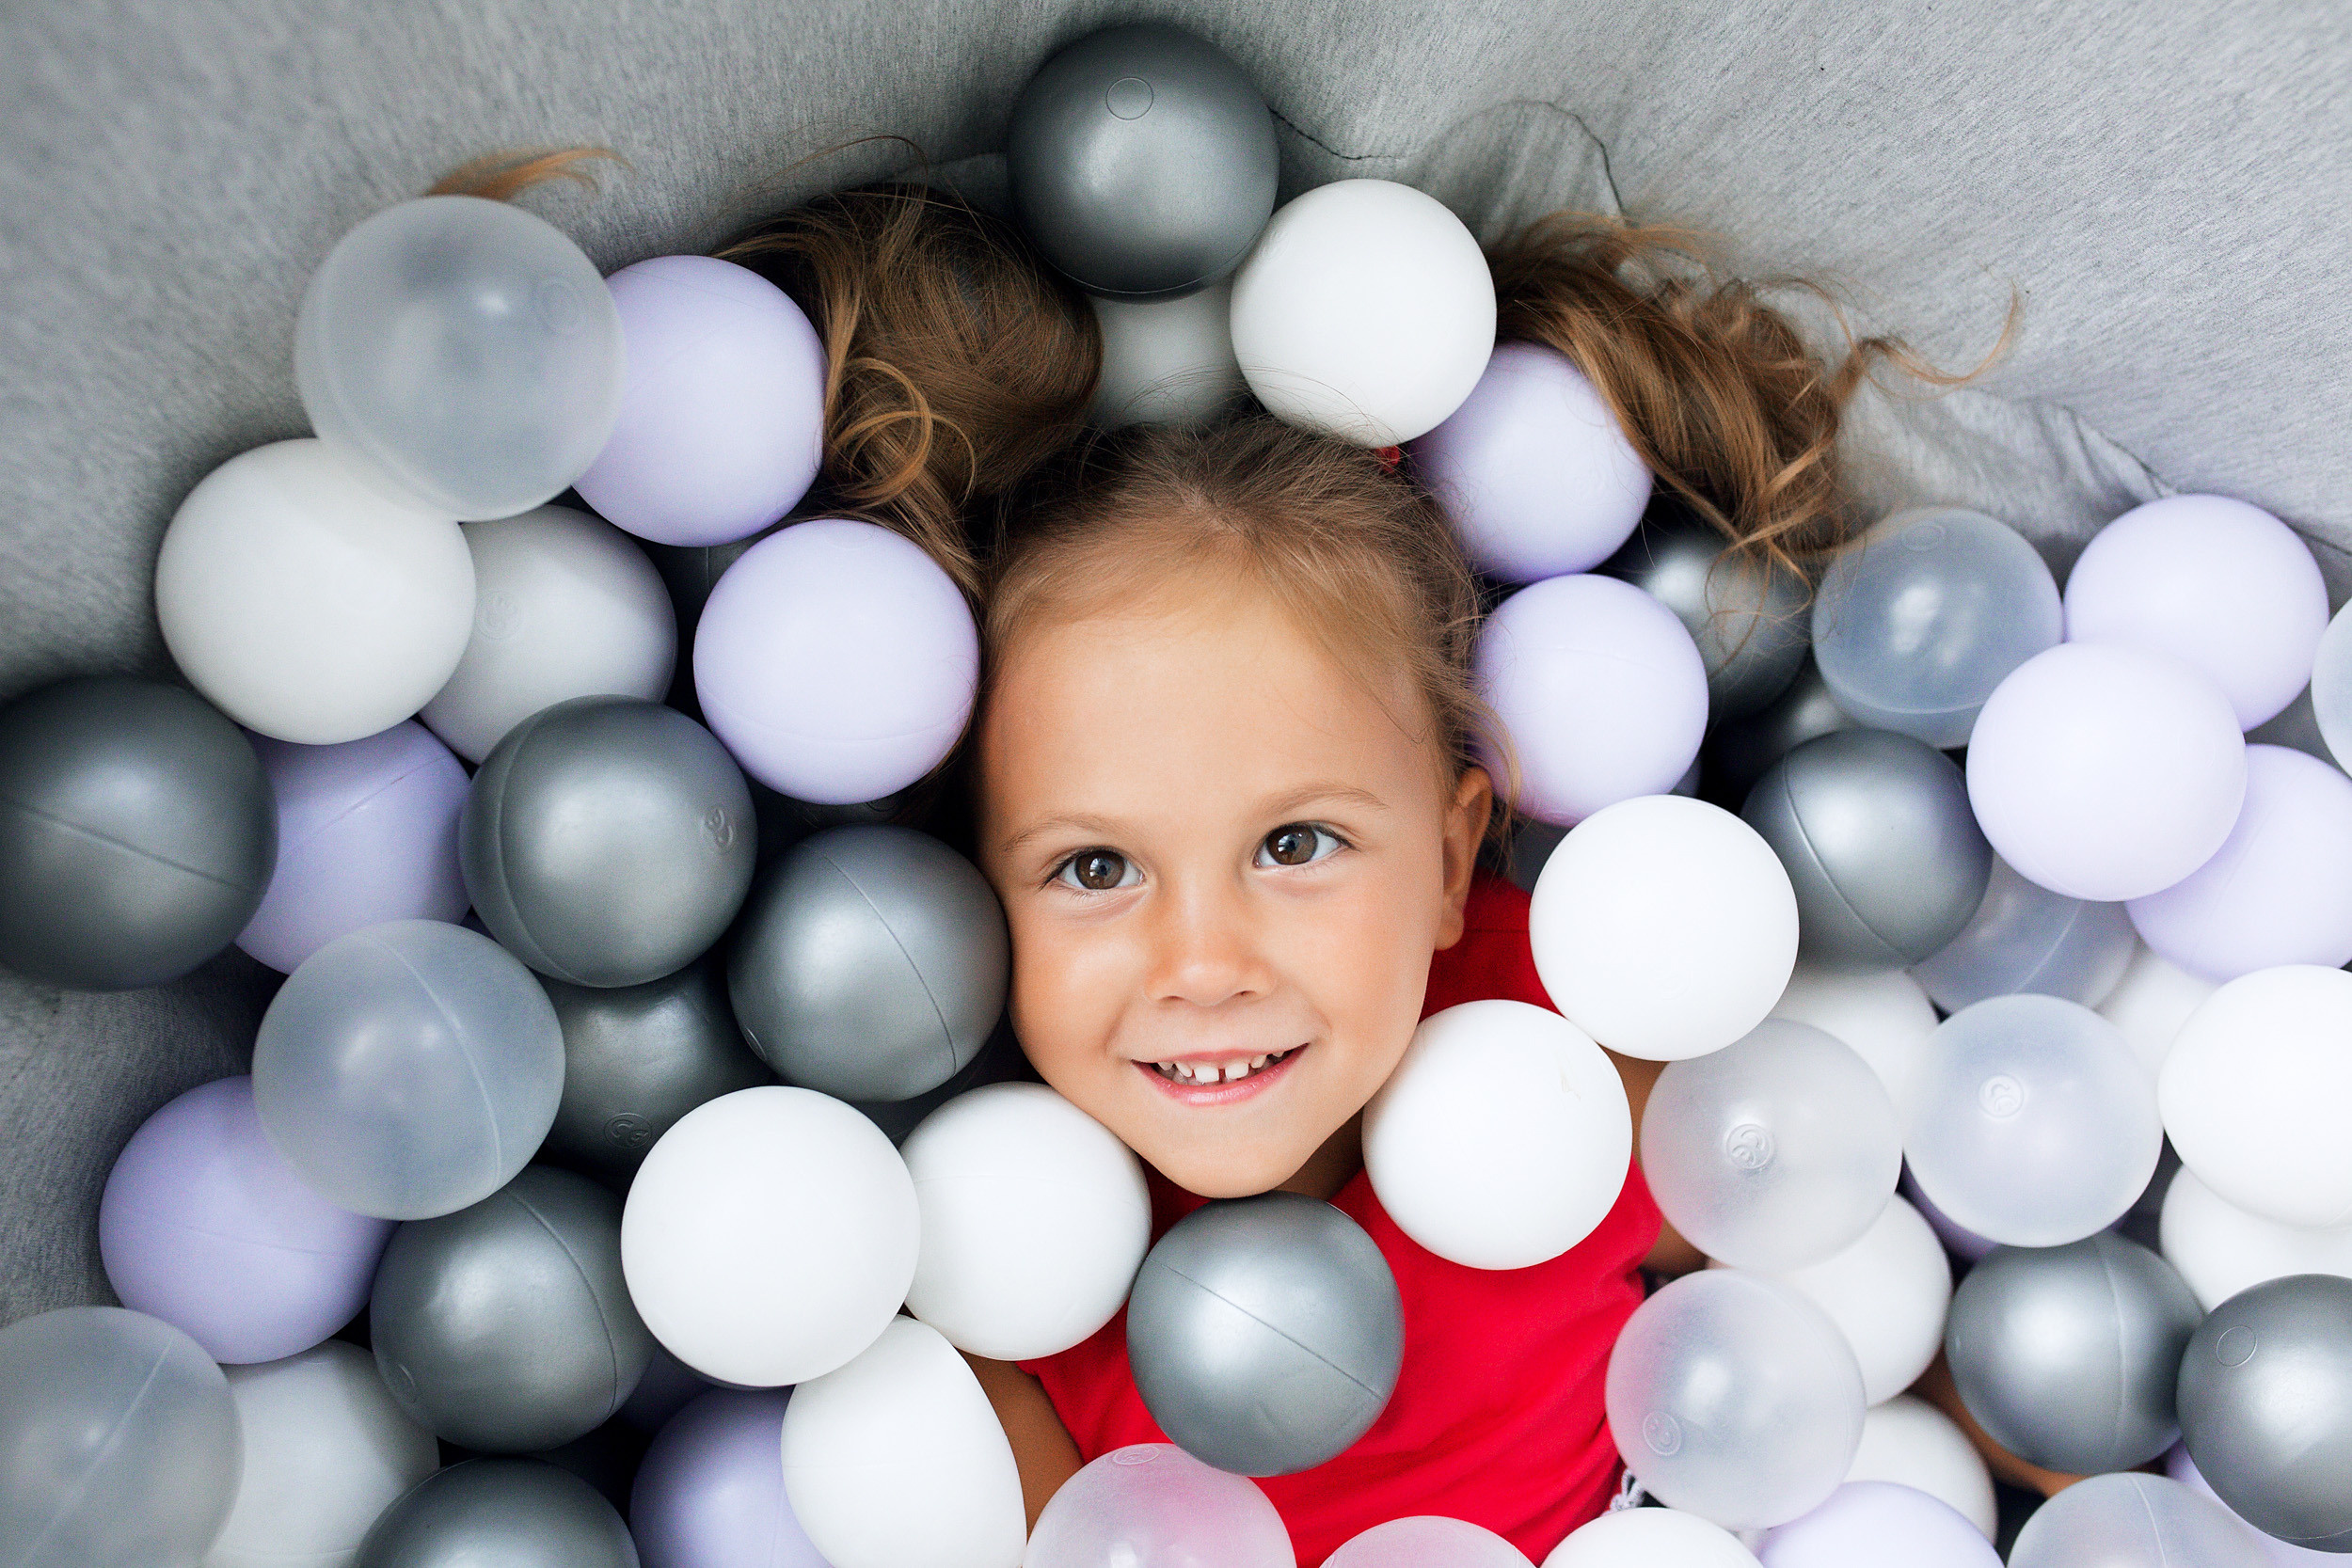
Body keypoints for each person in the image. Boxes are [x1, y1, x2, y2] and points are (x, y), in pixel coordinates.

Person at [708, 174, 1932, 1562]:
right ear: (972, 895)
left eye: (1296, 845)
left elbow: (1827, 1320)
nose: (1205, 965)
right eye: (1096, 867)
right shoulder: (978, 1266)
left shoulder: (1583, 1049)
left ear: (1453, 860)